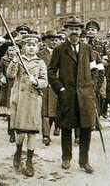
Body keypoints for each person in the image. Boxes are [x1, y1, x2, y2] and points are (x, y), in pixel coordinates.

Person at [48, 16, 98, 174]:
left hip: (85, 97)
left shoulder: (88, 49)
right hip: (67, 96)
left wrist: (92, 88)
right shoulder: (59, 50)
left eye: (76, 29)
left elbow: (95, 70)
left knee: (85, 129)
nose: (74, 32)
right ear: (66, 31)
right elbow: (51, 72)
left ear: (81, 31)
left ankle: (84, 161)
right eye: (70, 29)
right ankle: (66, 158)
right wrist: (60, 89)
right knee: (67, 128)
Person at [9, 34, 48, 177]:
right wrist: (14, 60)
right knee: (19, 131)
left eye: (34, 45)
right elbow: (10, 75)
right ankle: (18, 151)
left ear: (37, 47)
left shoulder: (40, 63)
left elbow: (45, 82)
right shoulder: (19, 60)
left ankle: (29, 161)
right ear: (23, 47)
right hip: (20, 100)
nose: (31, 48)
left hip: (33, 100)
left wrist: (36, 82)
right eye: (28, 45)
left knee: (32, 132)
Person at [38, 30, 61, 146]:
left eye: (56, 39)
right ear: (46, 41)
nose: (54, 42)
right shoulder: (40, 54)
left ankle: (58, 127)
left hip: (58, 86)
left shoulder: (62, 53)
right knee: (45, 112)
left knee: (57, 110)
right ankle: (46, 135)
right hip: (46, 87)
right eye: (51, 39)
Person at [0, 41, 16, 142]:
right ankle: (11, 131)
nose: (12, 52)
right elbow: (0, 71)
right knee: (9, 110)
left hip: (16, 85)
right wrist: (1, 77)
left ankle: (15, 129)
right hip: (7, 86)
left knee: (16, 109)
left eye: (13, 50)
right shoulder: (3, 60)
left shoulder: (19, 60)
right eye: (10, 50)